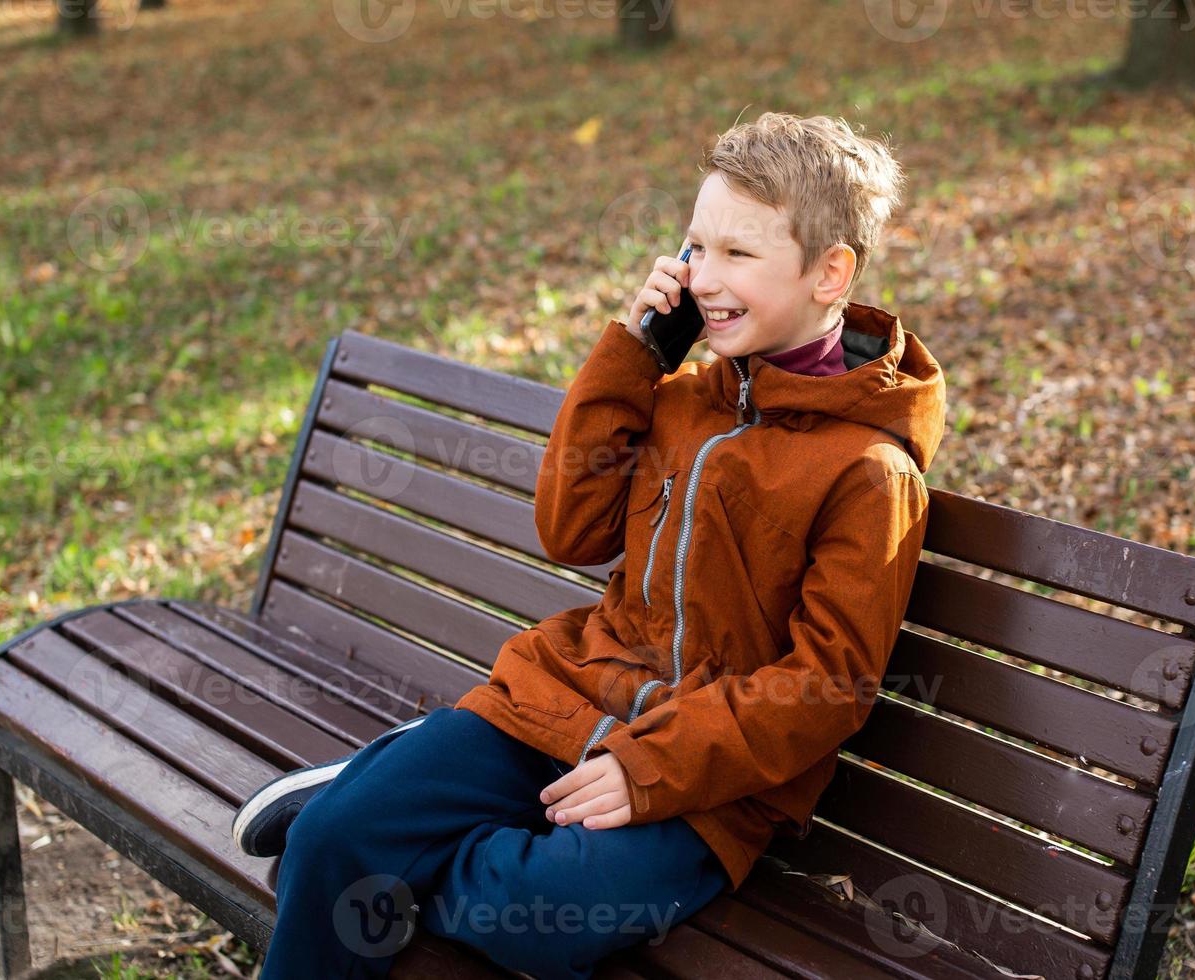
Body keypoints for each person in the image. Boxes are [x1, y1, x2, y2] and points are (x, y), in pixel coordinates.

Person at [233, 110, 946, 979]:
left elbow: (828, 686)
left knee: (531, 916)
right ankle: (366, 808)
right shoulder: (682, 394)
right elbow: (569, 531)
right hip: (568, 696)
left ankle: (395, 814)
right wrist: (631, 357)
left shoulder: (870, 472)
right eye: (696, 247)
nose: (703, 277)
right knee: (334, 841)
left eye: (739, 254)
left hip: (709, 782)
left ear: (830, 271)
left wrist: (652, 764)